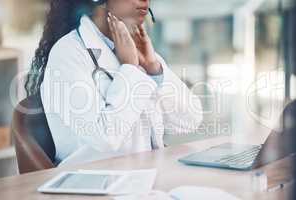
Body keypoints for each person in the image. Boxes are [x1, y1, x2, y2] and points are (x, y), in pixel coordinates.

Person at [24, 0, 203, 165]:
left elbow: (191, 120)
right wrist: (130, 69)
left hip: (144, 181)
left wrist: (154, 69)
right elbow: (106, 139)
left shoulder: (137, 49)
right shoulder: (67, 54)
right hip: (91, 187)